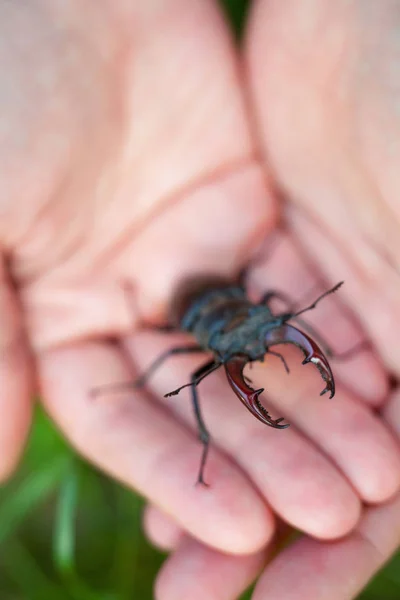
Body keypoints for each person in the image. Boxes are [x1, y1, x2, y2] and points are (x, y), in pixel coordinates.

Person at [1, 1, 400, 598]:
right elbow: (196, 354)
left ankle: (318, 354)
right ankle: (182, 405)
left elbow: (265, 309)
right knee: (179, 376)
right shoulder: (192, 338)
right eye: (240, 347)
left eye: (259, 332)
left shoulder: (252, 309)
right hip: (196, 305)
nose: (255, 346)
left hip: (220, 296)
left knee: (262, 319)